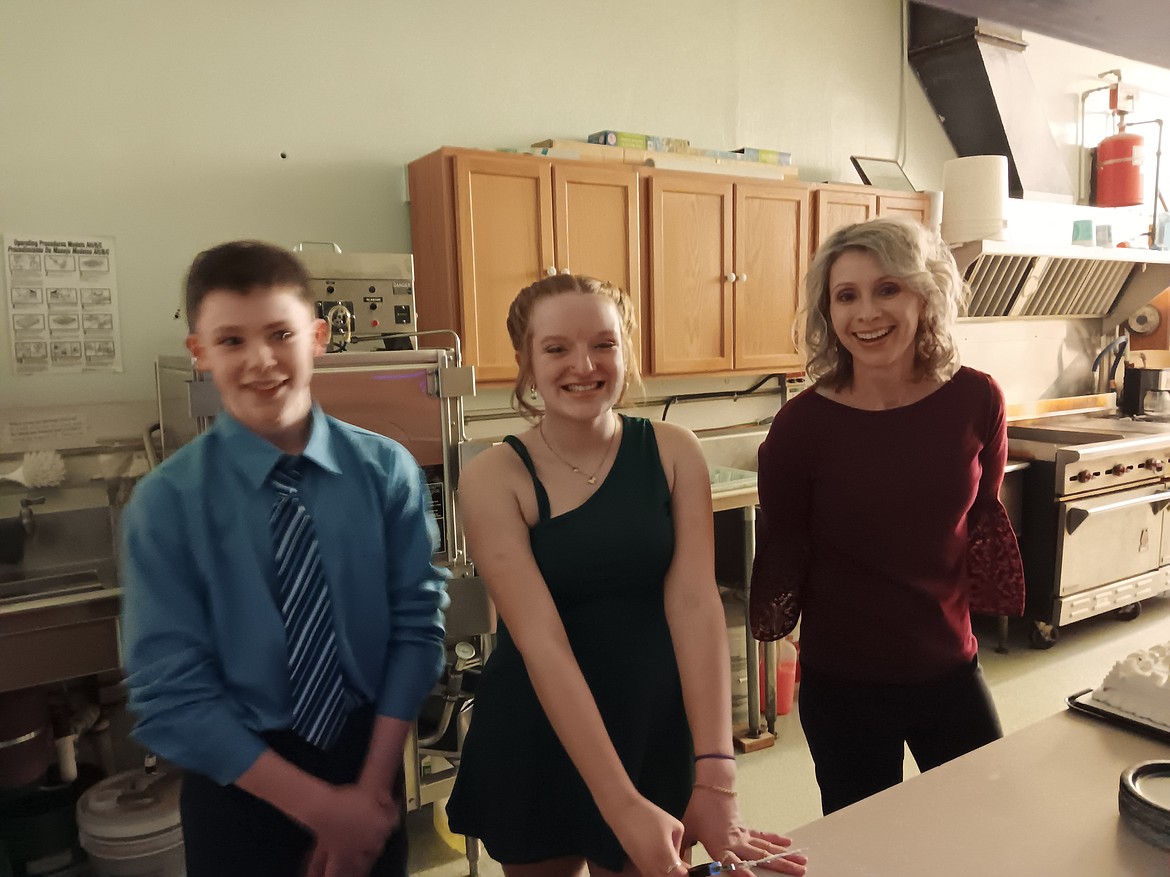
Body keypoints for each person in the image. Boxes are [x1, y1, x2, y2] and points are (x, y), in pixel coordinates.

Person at [445, 274, 806, 877]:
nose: (583, 365)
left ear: (626, 351)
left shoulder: (672, 451)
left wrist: (717, 773)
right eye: (556, 348)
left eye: (603, 344)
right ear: (526, 363)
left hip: (650, 724)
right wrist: (620, 805)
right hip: (539, 728)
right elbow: (542, 643)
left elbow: (694, 605)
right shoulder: (494, 476)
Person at [120, 240, 449, 877]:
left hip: (368, 761)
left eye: (280, 333)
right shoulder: (165, 504)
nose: (261, 360)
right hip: (239, 781)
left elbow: (417, 626)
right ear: (200, 353)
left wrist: (369, 792)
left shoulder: (385, 472)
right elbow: (171, 694)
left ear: (318, 336)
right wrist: (324, 810)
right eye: (232, 340)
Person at [749, 216, 1025, 816]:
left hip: (951, 669)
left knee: (985, 826)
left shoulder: (977, 399)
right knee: (866, 849)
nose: (867, 313)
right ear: (829, 313)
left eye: (888, 289)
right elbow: (786, 547)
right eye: (846, 296)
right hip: (844, 685)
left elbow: (978, 515)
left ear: (926, 294)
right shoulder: (801, 428)